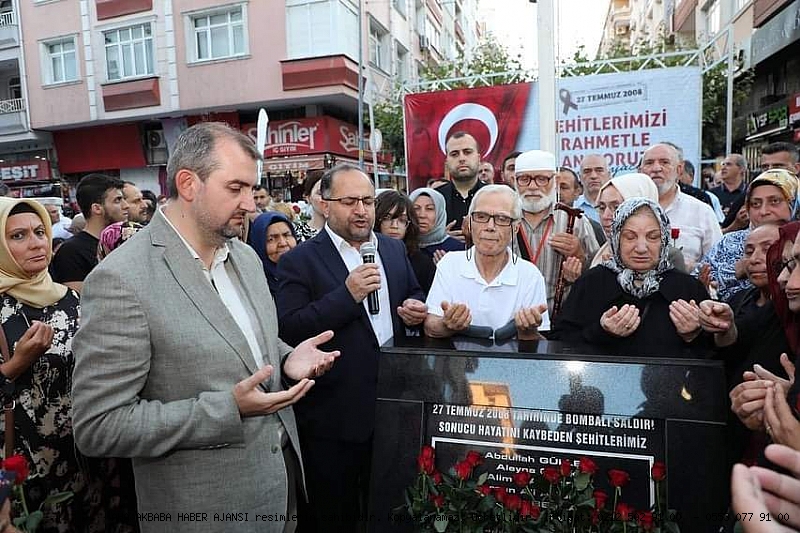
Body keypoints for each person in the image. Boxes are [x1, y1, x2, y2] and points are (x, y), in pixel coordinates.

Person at [72, 122, 339, 533]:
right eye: (236, 188)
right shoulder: (121, 280)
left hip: (278, 493)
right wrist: (227, 409)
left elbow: (236, 342)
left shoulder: (244, 257)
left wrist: (286, 358)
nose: (249, 203)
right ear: (188, 184)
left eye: (252, 188)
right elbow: (98, 426)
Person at [276, 163, 426, 533]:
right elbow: (289, 328)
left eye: (368, 201)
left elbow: (412, 292)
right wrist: (347, 296)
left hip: (393, 410)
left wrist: (414, 309)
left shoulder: (392, 249)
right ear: (325, 205)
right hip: (333, 419)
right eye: (349, 202)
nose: (361, 210)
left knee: (391, 512)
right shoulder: (299, 260)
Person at [0, 198, 136, 532]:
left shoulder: (70, 298)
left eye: (39, 232)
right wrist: (16, 365)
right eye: (18, 236)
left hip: (91, 456)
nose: (36, 243)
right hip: (29, 466)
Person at [550, 197, 712, 357]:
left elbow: (714, 354)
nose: (641, 248)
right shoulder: (592, 283)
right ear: (616, 239)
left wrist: (694, 335)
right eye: (630, 237)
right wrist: (601, 332)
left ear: (664, 240)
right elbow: (561, 343)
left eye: (652, 237)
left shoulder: (687, 288)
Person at [424, 185, 549, 339]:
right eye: (481, 217)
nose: (490, 227)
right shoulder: (450, 264)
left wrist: (527, 332)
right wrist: (446, 324)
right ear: (470, 223)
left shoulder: (530, 275)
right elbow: (430, 327)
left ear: (516, 228)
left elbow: (540, 343)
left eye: (502, 219)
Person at [512, 149, 599, 314]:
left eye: (542, 179)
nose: (532, 186)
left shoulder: (575, 221)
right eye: (524, 179)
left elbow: (598, 273)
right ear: (514, 181)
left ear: (555, 180)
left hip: (561, 320)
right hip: (510, 320)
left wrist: (580, 257)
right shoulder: (502, 219)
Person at [693, 169, 798, 302]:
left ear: (793, 203)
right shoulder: (729, 242)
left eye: (774, 201)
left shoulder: (796, 242)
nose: (763, 211)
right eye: (755, 204)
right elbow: (696, 280)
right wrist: (733, 272)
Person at [640, 143, 722, 271]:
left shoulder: (702, 212)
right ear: (640, 171)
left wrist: (690, 269)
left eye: (664, 162)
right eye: (649, 163)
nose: (656, 168)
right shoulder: (628, 211)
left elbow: (718, 264)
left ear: (679, 170)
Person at [589, 172, 686, 271]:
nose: (605, 216)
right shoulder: (598, 255)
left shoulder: (669, 257)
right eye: (602, 208)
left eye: (616, 207)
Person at [50, 174, 128, 292]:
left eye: (124, 199)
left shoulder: (125, 242)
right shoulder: (71, 252)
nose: (126, 206)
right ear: (97, 208)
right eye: (117, 200)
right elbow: (80, 298)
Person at [374, 190, 436, 295]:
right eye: (387, 218)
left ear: (409, 225)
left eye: (402, 220)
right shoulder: (366, 255)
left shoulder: (422, 263)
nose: (394, 226)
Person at [434, 131, 486, 234]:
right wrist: (441, 238)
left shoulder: (496, 197)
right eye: (454, 154)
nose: (461, 158)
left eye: (467, 152)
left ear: (478, 158)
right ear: (447, 162)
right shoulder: (434, 200)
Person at [248, 212, 298, 298]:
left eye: (287, 235)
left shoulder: (307, 273)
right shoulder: (253, 284)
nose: (283, 243)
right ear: (259, 244)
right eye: (271, 239)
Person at [409, 187, 465, 261]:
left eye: (429, 209)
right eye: (416, 208)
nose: (422, 215)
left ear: (440, 213)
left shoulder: (457, 250)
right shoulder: (401, 247)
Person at [574, 153, 611, 222]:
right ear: (580, 177)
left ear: (609, 175)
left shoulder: (620, 205)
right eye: (587, 171)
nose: (593, 176)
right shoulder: (573, 207)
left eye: (599, 170)